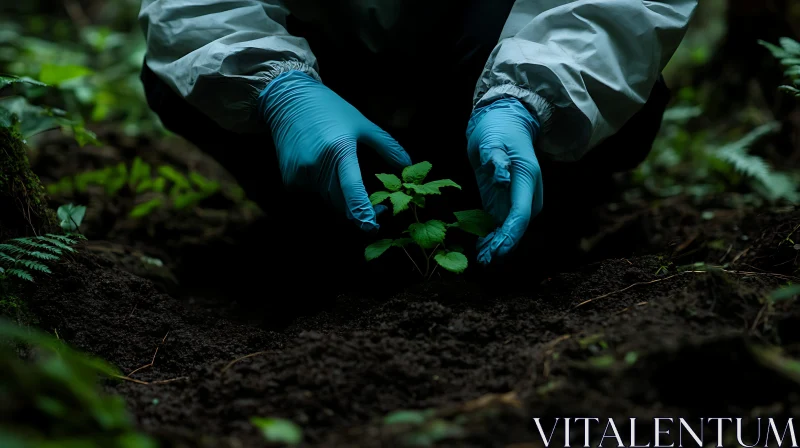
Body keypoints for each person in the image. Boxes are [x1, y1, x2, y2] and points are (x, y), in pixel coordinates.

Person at [138, 0, 697, 267]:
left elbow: (617, 8)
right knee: (176, 79)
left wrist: (530, 97)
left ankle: (533, 236)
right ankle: (323, 236)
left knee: (628, 91)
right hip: (331, 64)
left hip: (490, 53)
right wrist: (281, 91)